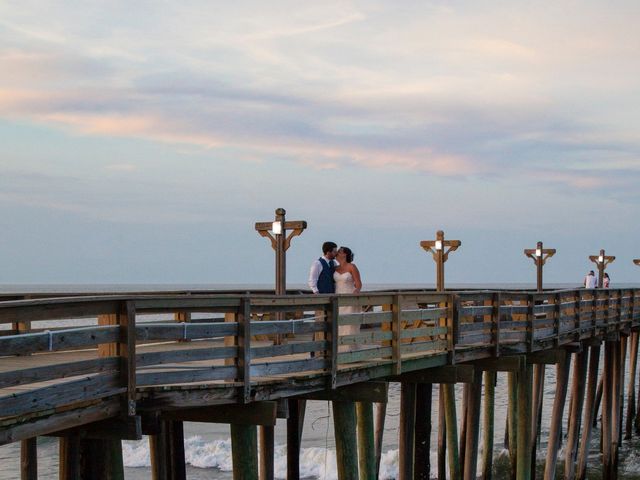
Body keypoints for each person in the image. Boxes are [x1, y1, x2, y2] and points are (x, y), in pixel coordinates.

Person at [334, 246, 363, 350]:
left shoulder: (352, 267)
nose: (337, 253)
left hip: (349, 297)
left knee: (349, 325)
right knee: (338, 324)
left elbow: (358, 284)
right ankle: (339, 349)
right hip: (338, 297)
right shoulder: (335, 268)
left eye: (339, 251)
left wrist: (356, 291)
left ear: (345, 254)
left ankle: (350, 349)